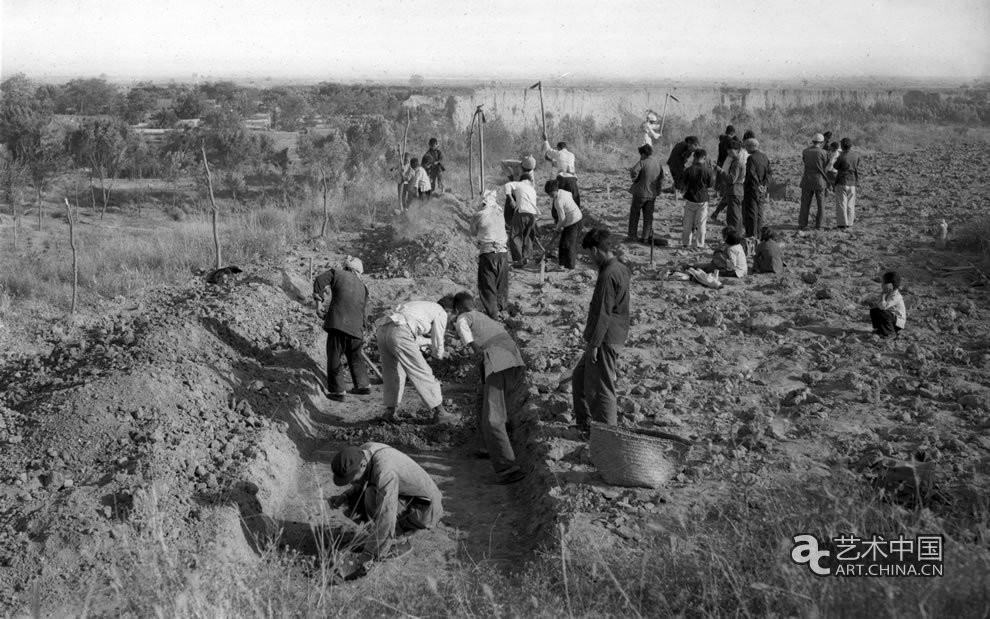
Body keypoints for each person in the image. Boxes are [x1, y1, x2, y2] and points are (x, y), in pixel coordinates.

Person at [442, 292, 528, 484]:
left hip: (500, 364)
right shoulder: (484, 317)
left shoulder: (465, 317)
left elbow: (463, 329)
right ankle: (486, 446)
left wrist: (473, 347)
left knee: (493, 418)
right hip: (513, 365)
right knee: (482, 400)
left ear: (457, 309)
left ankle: (508, 468)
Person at [329, 442, 443, 566]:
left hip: (425, 510)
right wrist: (345, 496)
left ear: (362, 465)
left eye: (352, 478)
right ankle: (381, 539)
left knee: (371, 495)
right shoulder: (364, 451)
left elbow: (387, 514)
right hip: (410, 497)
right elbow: (361, 482)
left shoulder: (384, 472)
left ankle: (399, 542)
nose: (351, 482)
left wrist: (369, 552)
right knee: (354, 500)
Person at [572, 228, 630, 432]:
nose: (589, 257)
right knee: (579, 377)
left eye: (589, 253)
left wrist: (594, 344)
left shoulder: (608, 275)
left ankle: (607, 434)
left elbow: (603, 313)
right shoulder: (620, 268)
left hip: (606, 338)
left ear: (596, 250)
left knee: (602, 387)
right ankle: (585, 425)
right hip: (612, 333)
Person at [374, 300, 455, 423]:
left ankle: (389, 412)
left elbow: (408, 336)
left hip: (382, 329)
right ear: (450, 310)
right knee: (422, 371)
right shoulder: (440, 311)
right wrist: (439, 354)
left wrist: (428, 343)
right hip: (400, 331)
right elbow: (438, 338)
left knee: (392, 372)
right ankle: (441, 412)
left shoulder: (418, 306)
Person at [313, 256, 371, 402]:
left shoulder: (336, 273)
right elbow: (363, 311)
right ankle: (363, 386)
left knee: (334, 356)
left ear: (347, 267)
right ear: (357, 271)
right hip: (357, 329)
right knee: (355, 356)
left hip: (338, 323)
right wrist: (362, 329)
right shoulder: (364, 288)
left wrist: (318, 304)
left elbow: (319, 280)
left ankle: (338, 392)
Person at [469, 190, 509, 319]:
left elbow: (473, 233)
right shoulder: (500, 211)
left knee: (487, 284)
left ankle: (493, 314)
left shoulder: (479, 215)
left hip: (488, 253)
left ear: (483, 203)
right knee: (501, 284)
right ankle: (503, 310)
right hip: (503, 253)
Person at [626, 143, 664, 244]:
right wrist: (658, 190)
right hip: (652, 194)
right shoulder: (658, 163)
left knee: (634, 214)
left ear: (643, 154)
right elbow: (661, 178)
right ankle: (645, 237)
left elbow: (634, 171)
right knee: (648, 216)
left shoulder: (642, 162)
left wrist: (635, 179)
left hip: (640, 193)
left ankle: (632, 236)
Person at [681, 149, 715, 248]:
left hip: (690, 198)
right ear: (704, 158)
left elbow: (685, 183)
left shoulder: (689, 170)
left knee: (687, 223)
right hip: (703, 199)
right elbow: (710, 185)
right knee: (701, 223)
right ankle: (700, 244)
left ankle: (686, 243)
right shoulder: (708, 170)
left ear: (694, 157)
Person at [504, 172, 539, 267]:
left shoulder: (519, 184)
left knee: (515, 236)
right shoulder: (532, 189)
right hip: (532, 216)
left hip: (522, 213)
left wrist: (511, 198)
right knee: (528, 237)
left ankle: (519, 260)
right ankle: (526, 258)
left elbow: (507, 185)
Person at [546, 179, 583, 269]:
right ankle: (562, 265)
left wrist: (557, 229)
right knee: (562, 244)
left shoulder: (559, 201)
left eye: (551, 194)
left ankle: (570, 267)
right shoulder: (563, 192)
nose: (550, 196)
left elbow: (562, 219)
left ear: (555, 190)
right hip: (569, 222)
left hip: (575, 221)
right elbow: (570, 195)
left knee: (569, 244)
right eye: (549, 194)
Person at [712, 138, 745, 235]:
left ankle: (736, 237)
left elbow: (732, 179)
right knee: (734, 216)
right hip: (735, 191)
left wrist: (721, 171)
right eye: (728, 151)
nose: (729, 153)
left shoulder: (737, 163)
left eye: (731, 151)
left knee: (734, 217)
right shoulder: (735, 161)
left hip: (735, 191)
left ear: (737, 151)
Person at [742, 138, 772, 243]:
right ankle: (758, 235)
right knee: (759, 213)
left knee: (751, 213)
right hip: (762, 189)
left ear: (751, 146)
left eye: (746, 147)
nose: (745, 149)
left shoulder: (751, 158)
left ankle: (751, 236)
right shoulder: (764, 157)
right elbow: (769, 173)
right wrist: (764, 185)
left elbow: (751, 173)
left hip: (752, 189)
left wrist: (758, 185)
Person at [799, 133, 829, 230]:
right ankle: (820, 225)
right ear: (821, 142)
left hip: (807, 179)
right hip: (819, 180)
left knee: (805, 203)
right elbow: (825, 164)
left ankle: (802, 224)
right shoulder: (823, 152)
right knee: (821, 204)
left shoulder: (805, 151)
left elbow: (804, 161)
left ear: (813, 141)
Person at [542, 136, 581, 208]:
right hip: (572, 179)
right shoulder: (572, 155)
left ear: (559, 148)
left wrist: (546, 140)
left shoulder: (558, 153)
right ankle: (577, 214)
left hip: (562, 179)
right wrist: (552, 160)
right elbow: (563, 164)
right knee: (575, 198)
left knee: (559, 198)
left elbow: (548, 150)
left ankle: (557, 216)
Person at [499, 154, 537, 226]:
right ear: (522, 165)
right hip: (513, 190)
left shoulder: (531, 173)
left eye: (528, 170)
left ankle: (519, 225)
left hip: (522, 193)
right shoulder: (516, 164)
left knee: (522, 210)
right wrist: (510, 176)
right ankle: (509, 225)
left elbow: (532, 187)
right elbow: (502, 163)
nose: (527, 172)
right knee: (509, 209)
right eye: (525, 169)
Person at [833, 137, 860, 229]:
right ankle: (849, 223)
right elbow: (856, 165)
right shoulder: (856, 155)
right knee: (850, 204)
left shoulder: (841, 156)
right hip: (852, 181)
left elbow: (835, 166)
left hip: (842, 180)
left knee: (842, 203)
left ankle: (842, 224)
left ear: (842, 146)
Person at [869, 271, 906, 337]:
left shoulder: (896, 296)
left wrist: (883, 295)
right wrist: (883, 294)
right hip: (891, 319)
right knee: (874, 310)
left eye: (883, 282)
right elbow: (879, 304)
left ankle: (891, 333)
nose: (882, 284)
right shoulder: (888, 293)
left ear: (890, 284)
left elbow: (883, 307)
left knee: (883, 313)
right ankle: (880, 329)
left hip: (897, 323)